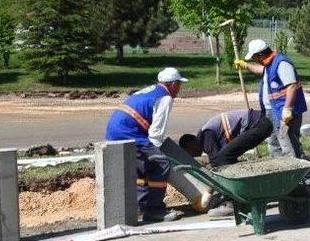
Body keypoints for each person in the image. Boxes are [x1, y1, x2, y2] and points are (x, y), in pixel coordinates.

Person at [104, 67, 188, 223]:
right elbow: (156, 133)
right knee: (160, 164)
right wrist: (156, 152)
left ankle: (142, 207)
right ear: (173, 84)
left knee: (143, 167)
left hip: (114, 131)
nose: (179, 89)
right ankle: (155, 211)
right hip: (129, 133)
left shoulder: (150, 90)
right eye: (179, 85)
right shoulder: (165, 98)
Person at [234, 39, 307, 158]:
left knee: (287, 142)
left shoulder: (281, 63)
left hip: (284, 114)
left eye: (254, 58)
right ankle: (279, 169)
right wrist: (245, 65)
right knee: (274, 142)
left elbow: (292, 86)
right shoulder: (269, 64)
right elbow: (260, 70)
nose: (254, 60)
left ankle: (296, 172)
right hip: (272, 111)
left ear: (260, 55)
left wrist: (287, 109)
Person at [179, 108, 273, 167]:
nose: (191, 156)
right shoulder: (205, 134)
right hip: (260, 123)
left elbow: (216, 160)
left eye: (188, 153)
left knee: (220, 160)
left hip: (259, 125)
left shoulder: (205, 136)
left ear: (190, 144)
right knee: (225, 157)